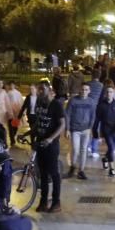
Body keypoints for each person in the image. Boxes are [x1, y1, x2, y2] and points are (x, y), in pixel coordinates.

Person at [33, 81, 67, 214]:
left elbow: (62, 124)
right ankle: (43, 201)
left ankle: (56, 201)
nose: (40, 92)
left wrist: (51, 138)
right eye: (38, 89)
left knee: (53, 173)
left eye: (42, 89)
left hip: (51, 145)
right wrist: (30, 133)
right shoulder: (39, 103)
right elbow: (38, 121)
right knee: (42, 174)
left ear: (49, 89)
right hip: (40, 142)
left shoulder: (56, 105)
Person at [93, 86, 115, 178]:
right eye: (107, 92)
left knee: (113, 148)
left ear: (113, 94)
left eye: (111, 92)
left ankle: (105, 158)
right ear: (105, 94)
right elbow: (97, 119)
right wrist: (95, 131)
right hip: (106, 130)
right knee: (111, 147)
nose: (109, 94)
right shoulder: (101, 106)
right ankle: (112, 169)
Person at [65, 83, 95, 180]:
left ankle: (81, 170)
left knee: (83, 150)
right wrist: (67, 129)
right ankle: (73, 167)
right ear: (79, 90)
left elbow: (93, 115)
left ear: (89, 91)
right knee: (76, 150)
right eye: (82, 89)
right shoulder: (73, 101)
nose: (84, 91)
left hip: (86, 129)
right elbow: (67, 115)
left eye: (86, 90)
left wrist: (90, 127)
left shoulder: (91, 102)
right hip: (75, 130)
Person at [4, 81, 23, 147]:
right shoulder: (8, 93)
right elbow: (6, 102)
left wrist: (21, 110)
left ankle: (12, 136)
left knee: (15, 126)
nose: (11, 86)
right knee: (10, 125)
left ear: (14, 85)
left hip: (17, 111)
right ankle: (12, 140)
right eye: (10, 85)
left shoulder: (18, 93)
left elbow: (20, 101)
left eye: (13, 85)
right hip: (10, 110)